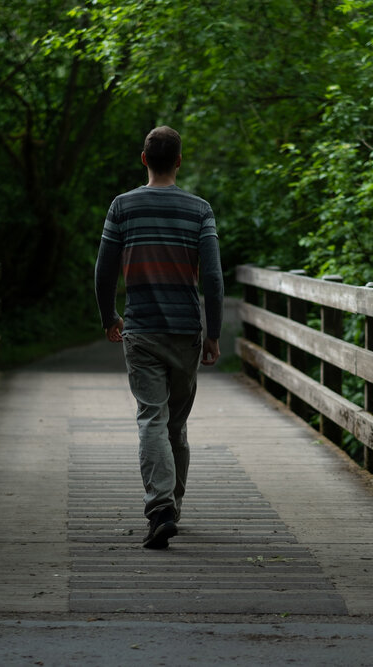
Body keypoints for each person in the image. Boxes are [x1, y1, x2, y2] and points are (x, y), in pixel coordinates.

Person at [94, 126, 224, 550]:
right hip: (186, 330)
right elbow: (214, 278)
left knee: (152, 417)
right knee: (176, 424)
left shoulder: (122, 207)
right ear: (180, 161)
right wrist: (214, 333)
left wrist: (108, 314)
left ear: (144, 159)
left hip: (142, 328)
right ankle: (171, 509)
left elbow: (104, 270)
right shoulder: (199, 209)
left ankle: (162, 508)